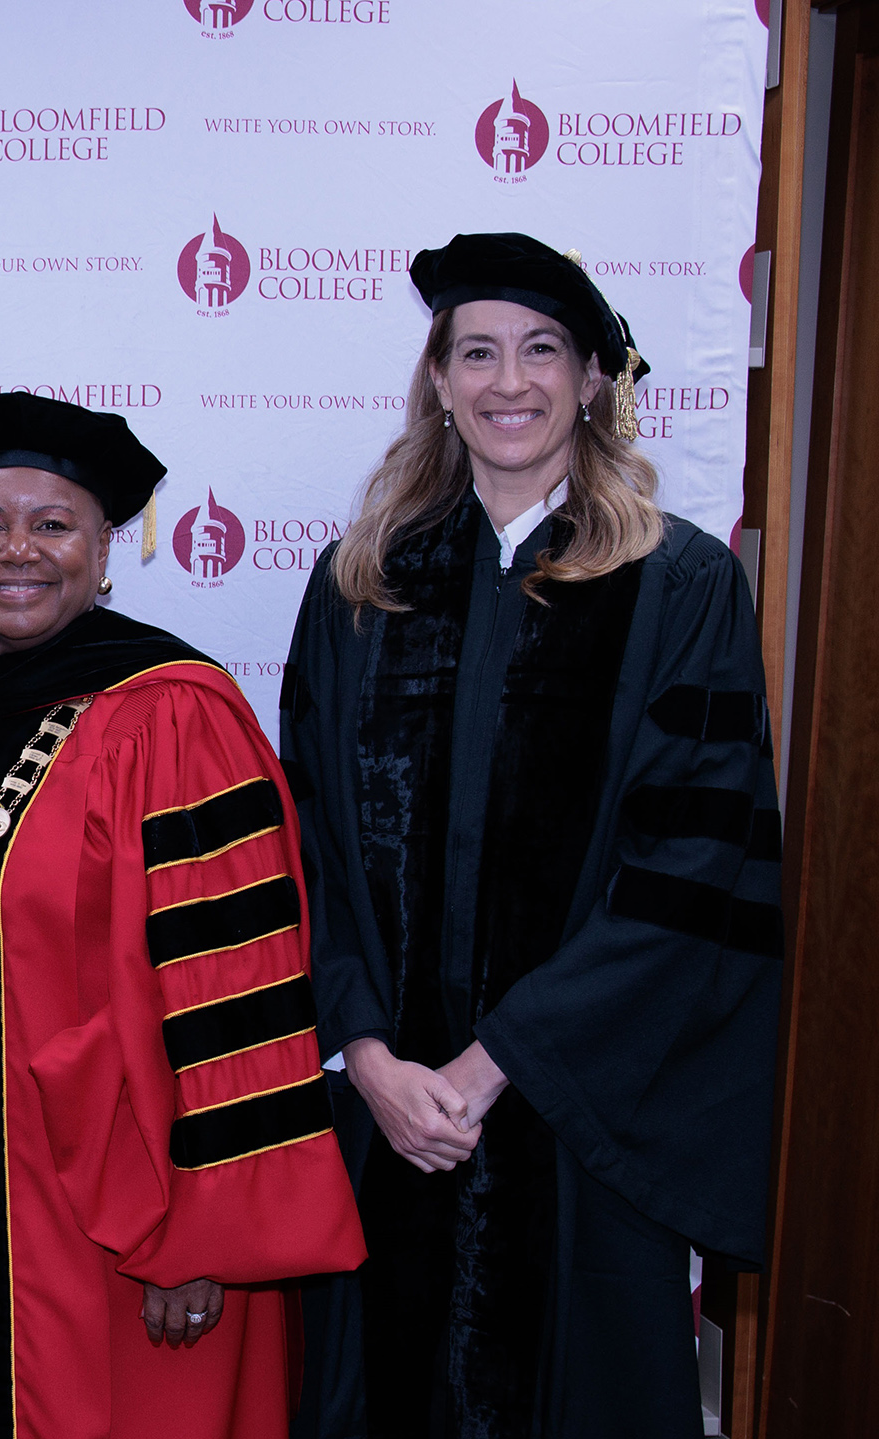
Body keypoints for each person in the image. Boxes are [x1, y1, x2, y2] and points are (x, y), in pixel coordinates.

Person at [283, 233, 780, 1438]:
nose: (510, 381)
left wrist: (492, 1062)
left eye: (542, 350)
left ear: (595, 379)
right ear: (440, 385)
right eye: (478, 352)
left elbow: (689, 866)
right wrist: (366, 1050)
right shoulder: (360, 584)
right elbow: (309, 852)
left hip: (576, 1121)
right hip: (384, 1117)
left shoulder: (678, 584)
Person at [0, 393, 366, 1439]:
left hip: (108, 1226)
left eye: (52, 523)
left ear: (105, 548)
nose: (17, 548)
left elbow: (234, 992)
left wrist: (204, 1232)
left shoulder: (173, 715)